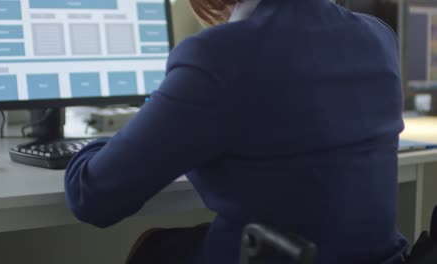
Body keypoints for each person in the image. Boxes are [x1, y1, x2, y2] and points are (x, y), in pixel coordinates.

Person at [64, 0, 408, 263]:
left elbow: (93, 198)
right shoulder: (378, 36)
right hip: (377, 257)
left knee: (155, 249)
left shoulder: (218, 55)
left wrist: (101, 142)